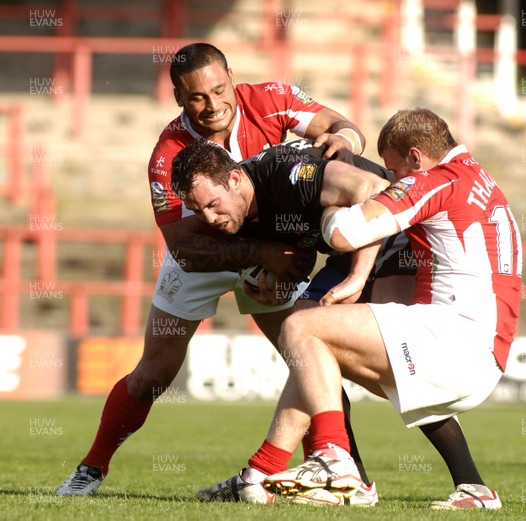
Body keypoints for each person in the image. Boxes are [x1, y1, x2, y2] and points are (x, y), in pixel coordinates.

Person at [55, 42, 370, 497]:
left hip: (269, 249)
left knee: (310, 360)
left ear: (231, 79)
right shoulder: (167, 153)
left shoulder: (270, 99)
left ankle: (332, 473)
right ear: (179, 98)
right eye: (197, 97)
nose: (212, 104)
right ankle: (91, 467)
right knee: (152, 375)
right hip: (209, 253)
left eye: (219, 89)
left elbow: (338, 127)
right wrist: (261, 253)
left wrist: (348, 141)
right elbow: (183, 247)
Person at [261, 108, 522, 510]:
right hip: (485, 352)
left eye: (395, 169)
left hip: (455, 341)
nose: (394, 178)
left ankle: (335, 464)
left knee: (301, 328)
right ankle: (471, 487)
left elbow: (343, 232)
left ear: (416, 157)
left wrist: (334, 201)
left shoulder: (436, 181)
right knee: (325, 358)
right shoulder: (483, 180)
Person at [169, 137, 411, 506]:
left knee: (406, 373)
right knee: (303, 333)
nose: (209, 219)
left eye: (213, 205)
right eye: (198, 211)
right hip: (352, 253)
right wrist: (277, 281)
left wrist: (359, 277)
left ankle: (335, 463)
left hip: (404, 237)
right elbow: (295, 250)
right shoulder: (239, 213)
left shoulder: (284, 173)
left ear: (235, 180)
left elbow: (375, 190)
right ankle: (271, 471)